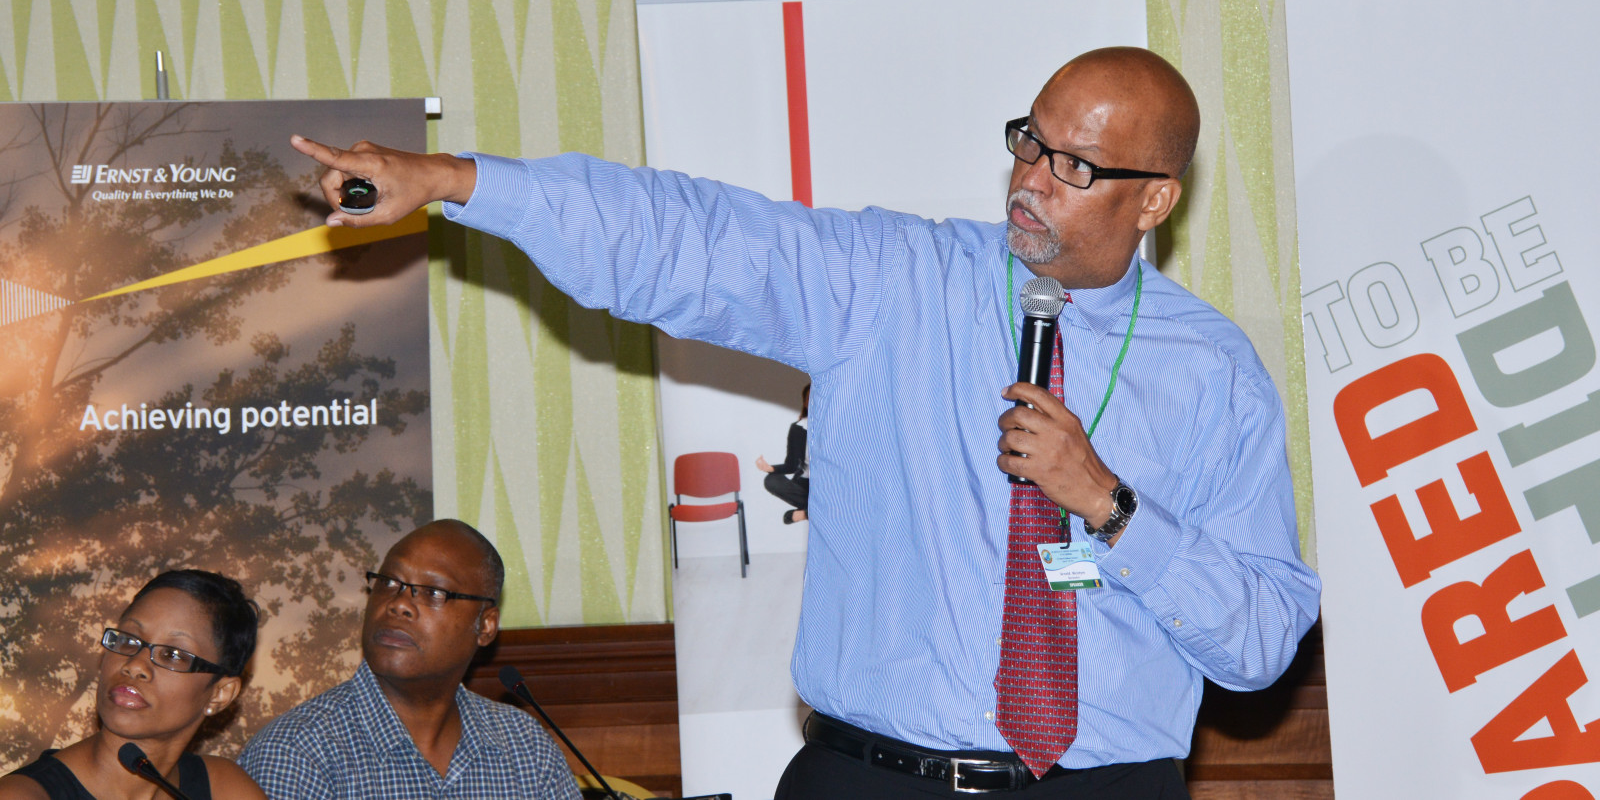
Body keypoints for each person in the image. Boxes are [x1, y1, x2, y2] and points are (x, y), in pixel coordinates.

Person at [290, 47, 1322, 799]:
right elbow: (691, 238)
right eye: (1028, 142)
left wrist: (1109, 505)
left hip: (1101, 785)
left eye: (1075, 168)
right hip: (873, 777)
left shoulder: (1213, 373)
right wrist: (460, 182)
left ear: (1155, 201)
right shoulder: (895, 281)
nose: (1030, 182)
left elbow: (1261, 641)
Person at [237, 519, 579, 800]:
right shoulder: (296, 753)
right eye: (389, 582)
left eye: (434, 592)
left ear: (485, 626)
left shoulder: (525, 747)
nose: (399, 603)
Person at [0, 570, 266, 800]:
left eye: (172, 654)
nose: (136, 664)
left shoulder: (224, 788)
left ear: (220, 694)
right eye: (128, 640)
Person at [756, 384, 810, 523]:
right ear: (805, 403)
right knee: (771, 480)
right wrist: (770, 468)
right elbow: (792, 465)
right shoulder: (798, 428)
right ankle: (814, 511)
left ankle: (805, 513)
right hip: (807, 484)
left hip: (831, 486)